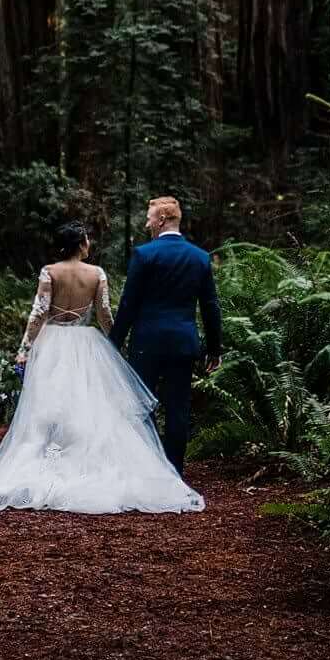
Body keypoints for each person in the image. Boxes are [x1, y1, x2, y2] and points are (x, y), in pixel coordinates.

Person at [0, 221, 204, 514]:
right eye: (87, 240)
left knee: (49, 404)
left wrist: (24, 349)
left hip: (52, 342)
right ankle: (82, 461)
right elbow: (105, 313)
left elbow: (39, 313)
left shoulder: (50, 271)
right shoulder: (97, 273)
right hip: (85, 343)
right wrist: (114, 343)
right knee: (87, 404)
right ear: (82, 244)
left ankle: (50, 462)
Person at [108, 195, 222, 478]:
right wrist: (214, 348)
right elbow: (210, 305)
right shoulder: (200, 257)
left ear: (161, 220)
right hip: (183, 343)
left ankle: (144, 470)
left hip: (147, 342)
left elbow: (128, 305)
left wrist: (113, 344)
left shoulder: (145, 255)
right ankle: (174, 474)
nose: (146, 223)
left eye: (149, 218)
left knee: (140, 405)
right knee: (178, 409)